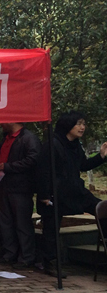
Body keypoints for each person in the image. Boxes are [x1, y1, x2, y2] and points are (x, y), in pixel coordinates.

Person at [38, 111, 107, 274]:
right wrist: (43, 195)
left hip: (75, 191)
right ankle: (50, 263)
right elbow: (42, 171)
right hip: (55, 194)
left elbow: (83, 165)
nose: (82, 127)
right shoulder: (52, 144)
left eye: (84, 124)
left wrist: (101, 156)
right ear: (68, 125)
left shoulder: (76, 145)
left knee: (102, 210)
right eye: (79, 124)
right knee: (51, 229)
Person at [0, 123, 41, 269]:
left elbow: (33, 160)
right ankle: (9, 253)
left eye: (4, 121)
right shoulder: (6, 138)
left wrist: (8, 166)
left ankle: (27, 256)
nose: (1, 124)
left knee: (22, 223)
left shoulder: (28, 138)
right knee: (5, 222)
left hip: (21, 187)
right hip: (3, 184)